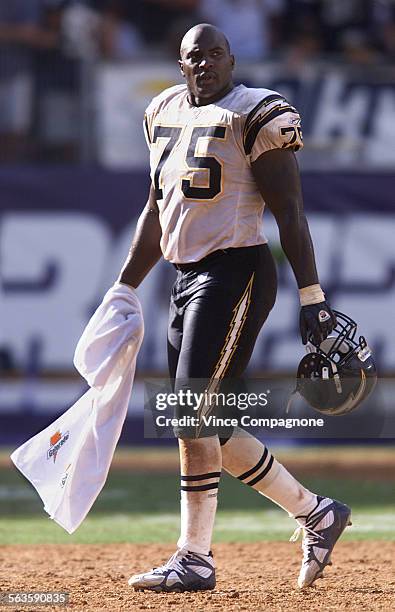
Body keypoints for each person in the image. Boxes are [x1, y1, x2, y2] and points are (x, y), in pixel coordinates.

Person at [119, 23, 351, 593]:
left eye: (216, 54)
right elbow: (156, 210)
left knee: (190, 412)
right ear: (181, 64)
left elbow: (291, 214)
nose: (206, 63)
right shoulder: (162, 111)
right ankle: (316, 512)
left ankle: (194, 558)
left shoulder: (256, 114)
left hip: (236, 271)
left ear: (231, 58)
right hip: (185, 275)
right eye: (194, 56)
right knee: (203, 422)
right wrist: (124, 286)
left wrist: (313, 296)